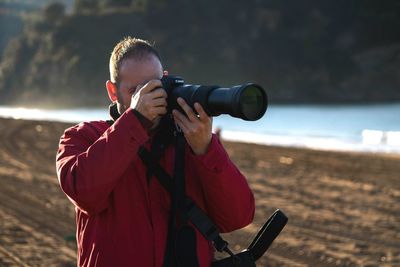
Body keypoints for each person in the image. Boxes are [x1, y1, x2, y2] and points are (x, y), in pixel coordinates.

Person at [56, 36, 255, 267]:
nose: (148, 98)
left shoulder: (189, 141)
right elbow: (83, 191)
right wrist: (135, 120)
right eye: (136, 91)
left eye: (155, 86)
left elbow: (237, 217)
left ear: (167, 80)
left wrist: (206, 149)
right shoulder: (83, 137)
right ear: (112, 91)